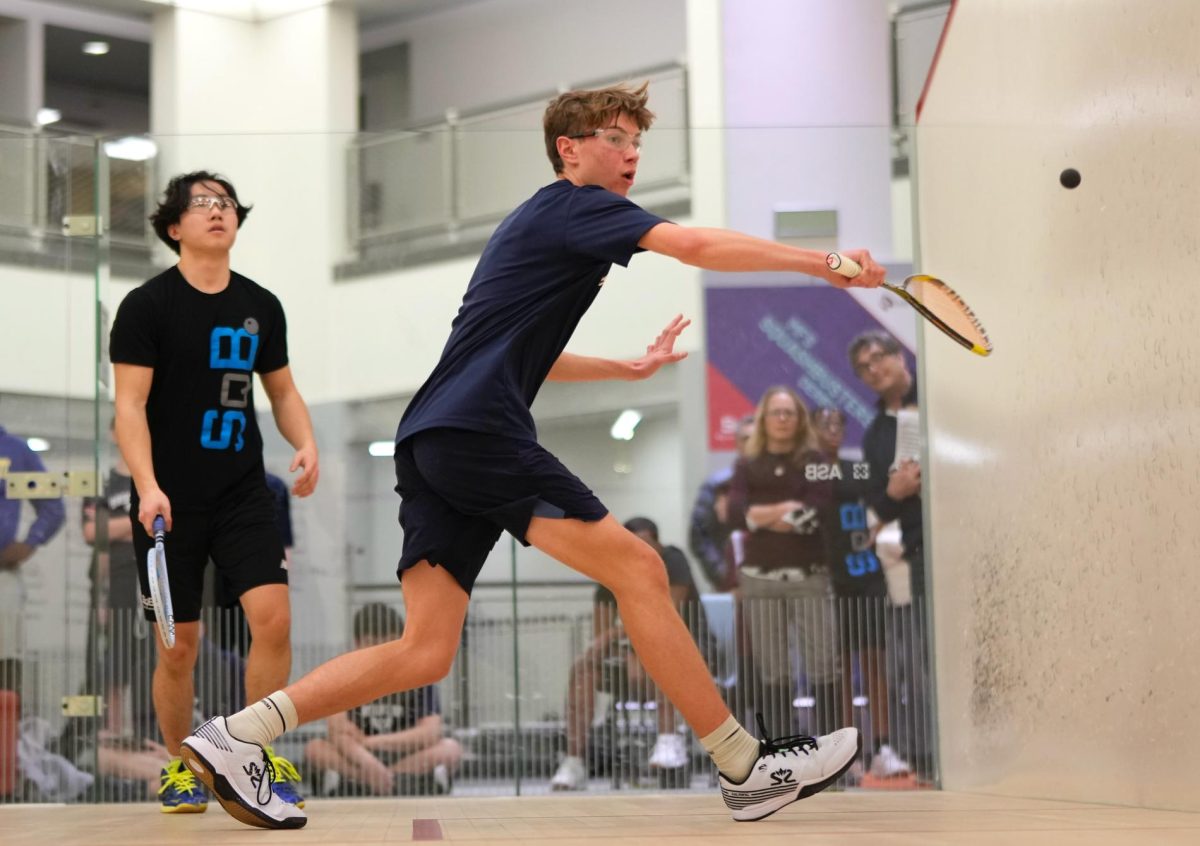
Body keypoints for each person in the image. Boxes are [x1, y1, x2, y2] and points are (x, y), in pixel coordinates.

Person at [181, 82, 883, 829]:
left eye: (636, 142)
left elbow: (516, 352)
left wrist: (624, 370)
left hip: (433, 440)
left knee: (423, 651)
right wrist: (825, 262)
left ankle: (237, 734)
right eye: (616, 139)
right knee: (641, 568)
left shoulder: (536, 225)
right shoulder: (579, 207)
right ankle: (745, 766)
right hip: (479, 432)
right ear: (569, 150)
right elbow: (696, 247)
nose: (631, 154)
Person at [109, 171, 320, 814]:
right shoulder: (146, 306)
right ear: (174, 227)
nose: (216, 211)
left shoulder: (262, 305)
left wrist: (305, 442)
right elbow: (129, 406)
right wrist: (146, 487)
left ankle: (252, 759)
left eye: (225, 203)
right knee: (179, 648)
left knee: (274, 621)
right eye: (201, 204)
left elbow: (281, 391)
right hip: (166, 501)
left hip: (242, 494)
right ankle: (181, 766)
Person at [551, 516, 708, 790]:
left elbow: (665, 618)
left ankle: (668, 739)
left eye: (644, 544)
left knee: (661, 653)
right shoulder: (612, 566)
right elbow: (601, 635)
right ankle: (573, 760)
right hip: (630, 659)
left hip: (686, 656)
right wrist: (616, 649)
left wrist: (617, 637)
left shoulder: (674, 560)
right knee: (583, 669)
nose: (638, 551)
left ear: (657, 545)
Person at [726, 387, 841, 739]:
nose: (782, 419)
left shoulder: (818, 463)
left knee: (823, 664)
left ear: (799, 419)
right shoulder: (746, 464)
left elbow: (817, 515)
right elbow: (734, 514)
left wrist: (759, 515)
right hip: (759, 579)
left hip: (809, 576)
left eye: (789, 413)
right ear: (764, 419)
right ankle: (782, 746)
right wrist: (785, 509)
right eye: (775, 412)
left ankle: (832, 746)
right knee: (772, 669)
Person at [849, 330, 933, 781]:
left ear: (900, 355)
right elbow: (874, 509)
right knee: (915, 664)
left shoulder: (939, 399)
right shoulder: (875, 433)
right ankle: (927, 759)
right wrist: (893, 491)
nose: (873, 370)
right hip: (910, 559)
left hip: (956, 548)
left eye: (878, 357)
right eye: (863, 367)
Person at [810, 406, 910, 781]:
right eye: (824, 423)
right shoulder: (807, 471)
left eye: (838, 423)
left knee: (873, 663)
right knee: (838, 667)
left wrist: (878, 525)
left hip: (866, 572)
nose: (832, 429)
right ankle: (844, 753)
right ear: (812, 429)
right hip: (827, 578)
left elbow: (883, 497)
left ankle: (882, 747)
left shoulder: (859, 467)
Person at [303, 603, 461, 797]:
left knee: (450, 749)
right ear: (358, 643)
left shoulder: (417, 676)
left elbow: (430, 732)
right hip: (357, 757)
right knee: (315, 749)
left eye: (388, 642)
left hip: (405, 755)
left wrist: (372, 742)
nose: (380, 650)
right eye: (372, 641)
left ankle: (383, 779)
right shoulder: (345, 675)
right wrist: (368, 763)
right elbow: (337, 731)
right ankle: (383, 781)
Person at [0, 418, 66, 700]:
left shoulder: (15, 451)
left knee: (5, 661)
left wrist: (30, 543)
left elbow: (53, 506)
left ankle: (6, 742)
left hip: (2, 574)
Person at [688, 414, 755, 592]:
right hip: (730, 583)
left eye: (757, 438)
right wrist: (724, 575)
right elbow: (699, 535)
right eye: (746, 438)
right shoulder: (717, 484)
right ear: (737, 443)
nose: (751, 444)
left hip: (772, 580)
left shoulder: (779, 481)